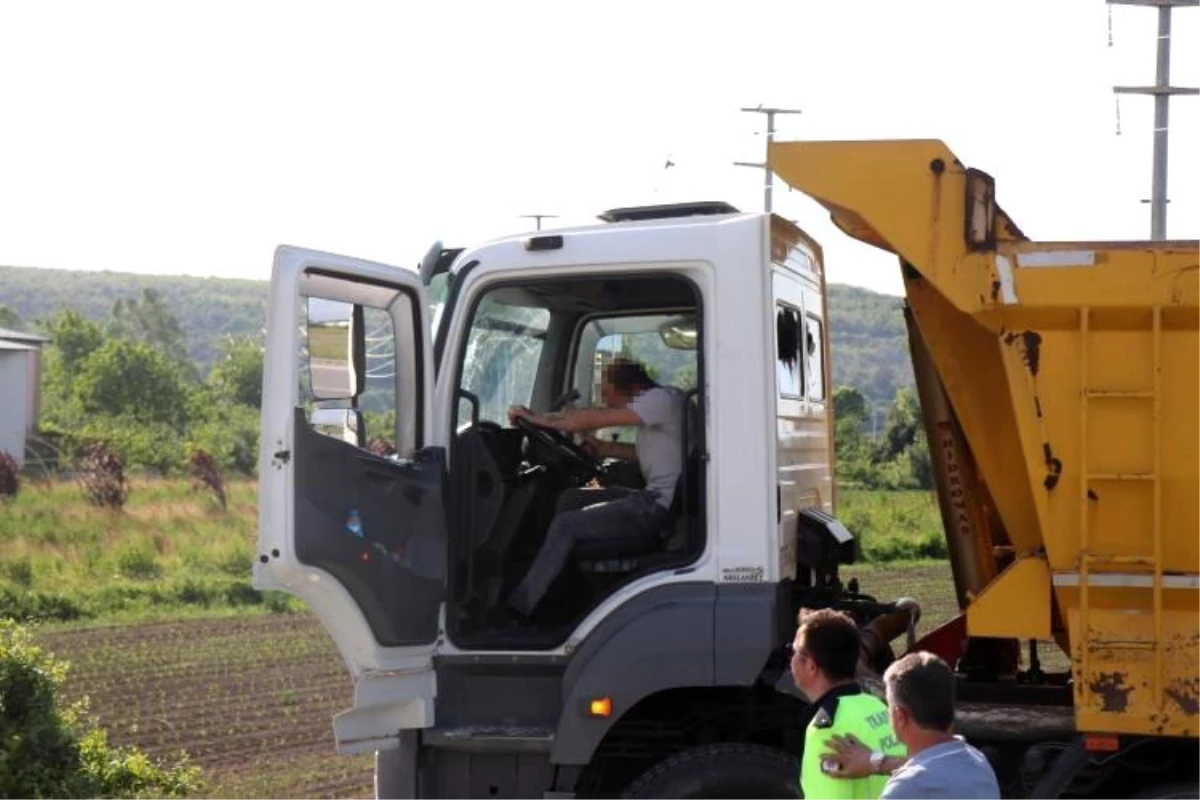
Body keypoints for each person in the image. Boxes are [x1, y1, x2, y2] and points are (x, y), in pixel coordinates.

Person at [504, 358, 685, 618]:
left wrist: (537, 419)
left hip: (656, 507)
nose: (606, 401)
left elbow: (592, 419)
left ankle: (520, 608)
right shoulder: (663, 404)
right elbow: (651, 455)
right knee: (571, 498)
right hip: (654, 497)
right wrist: (604, 449)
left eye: (607, 393)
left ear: (627, 387)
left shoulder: (661, 400)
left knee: (566, 525)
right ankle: (559, 584)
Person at [821, 651, 1001, 800]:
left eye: (889, 708)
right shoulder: (979, 762)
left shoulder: (908, 787)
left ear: (899, 716)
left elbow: (922, 777)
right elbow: (936, 768)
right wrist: (875, 762)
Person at [790, 608, 907, 800]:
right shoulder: (876, 706)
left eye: (793, 651)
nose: (790, 659)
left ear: (811, 666)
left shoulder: (828, 730)